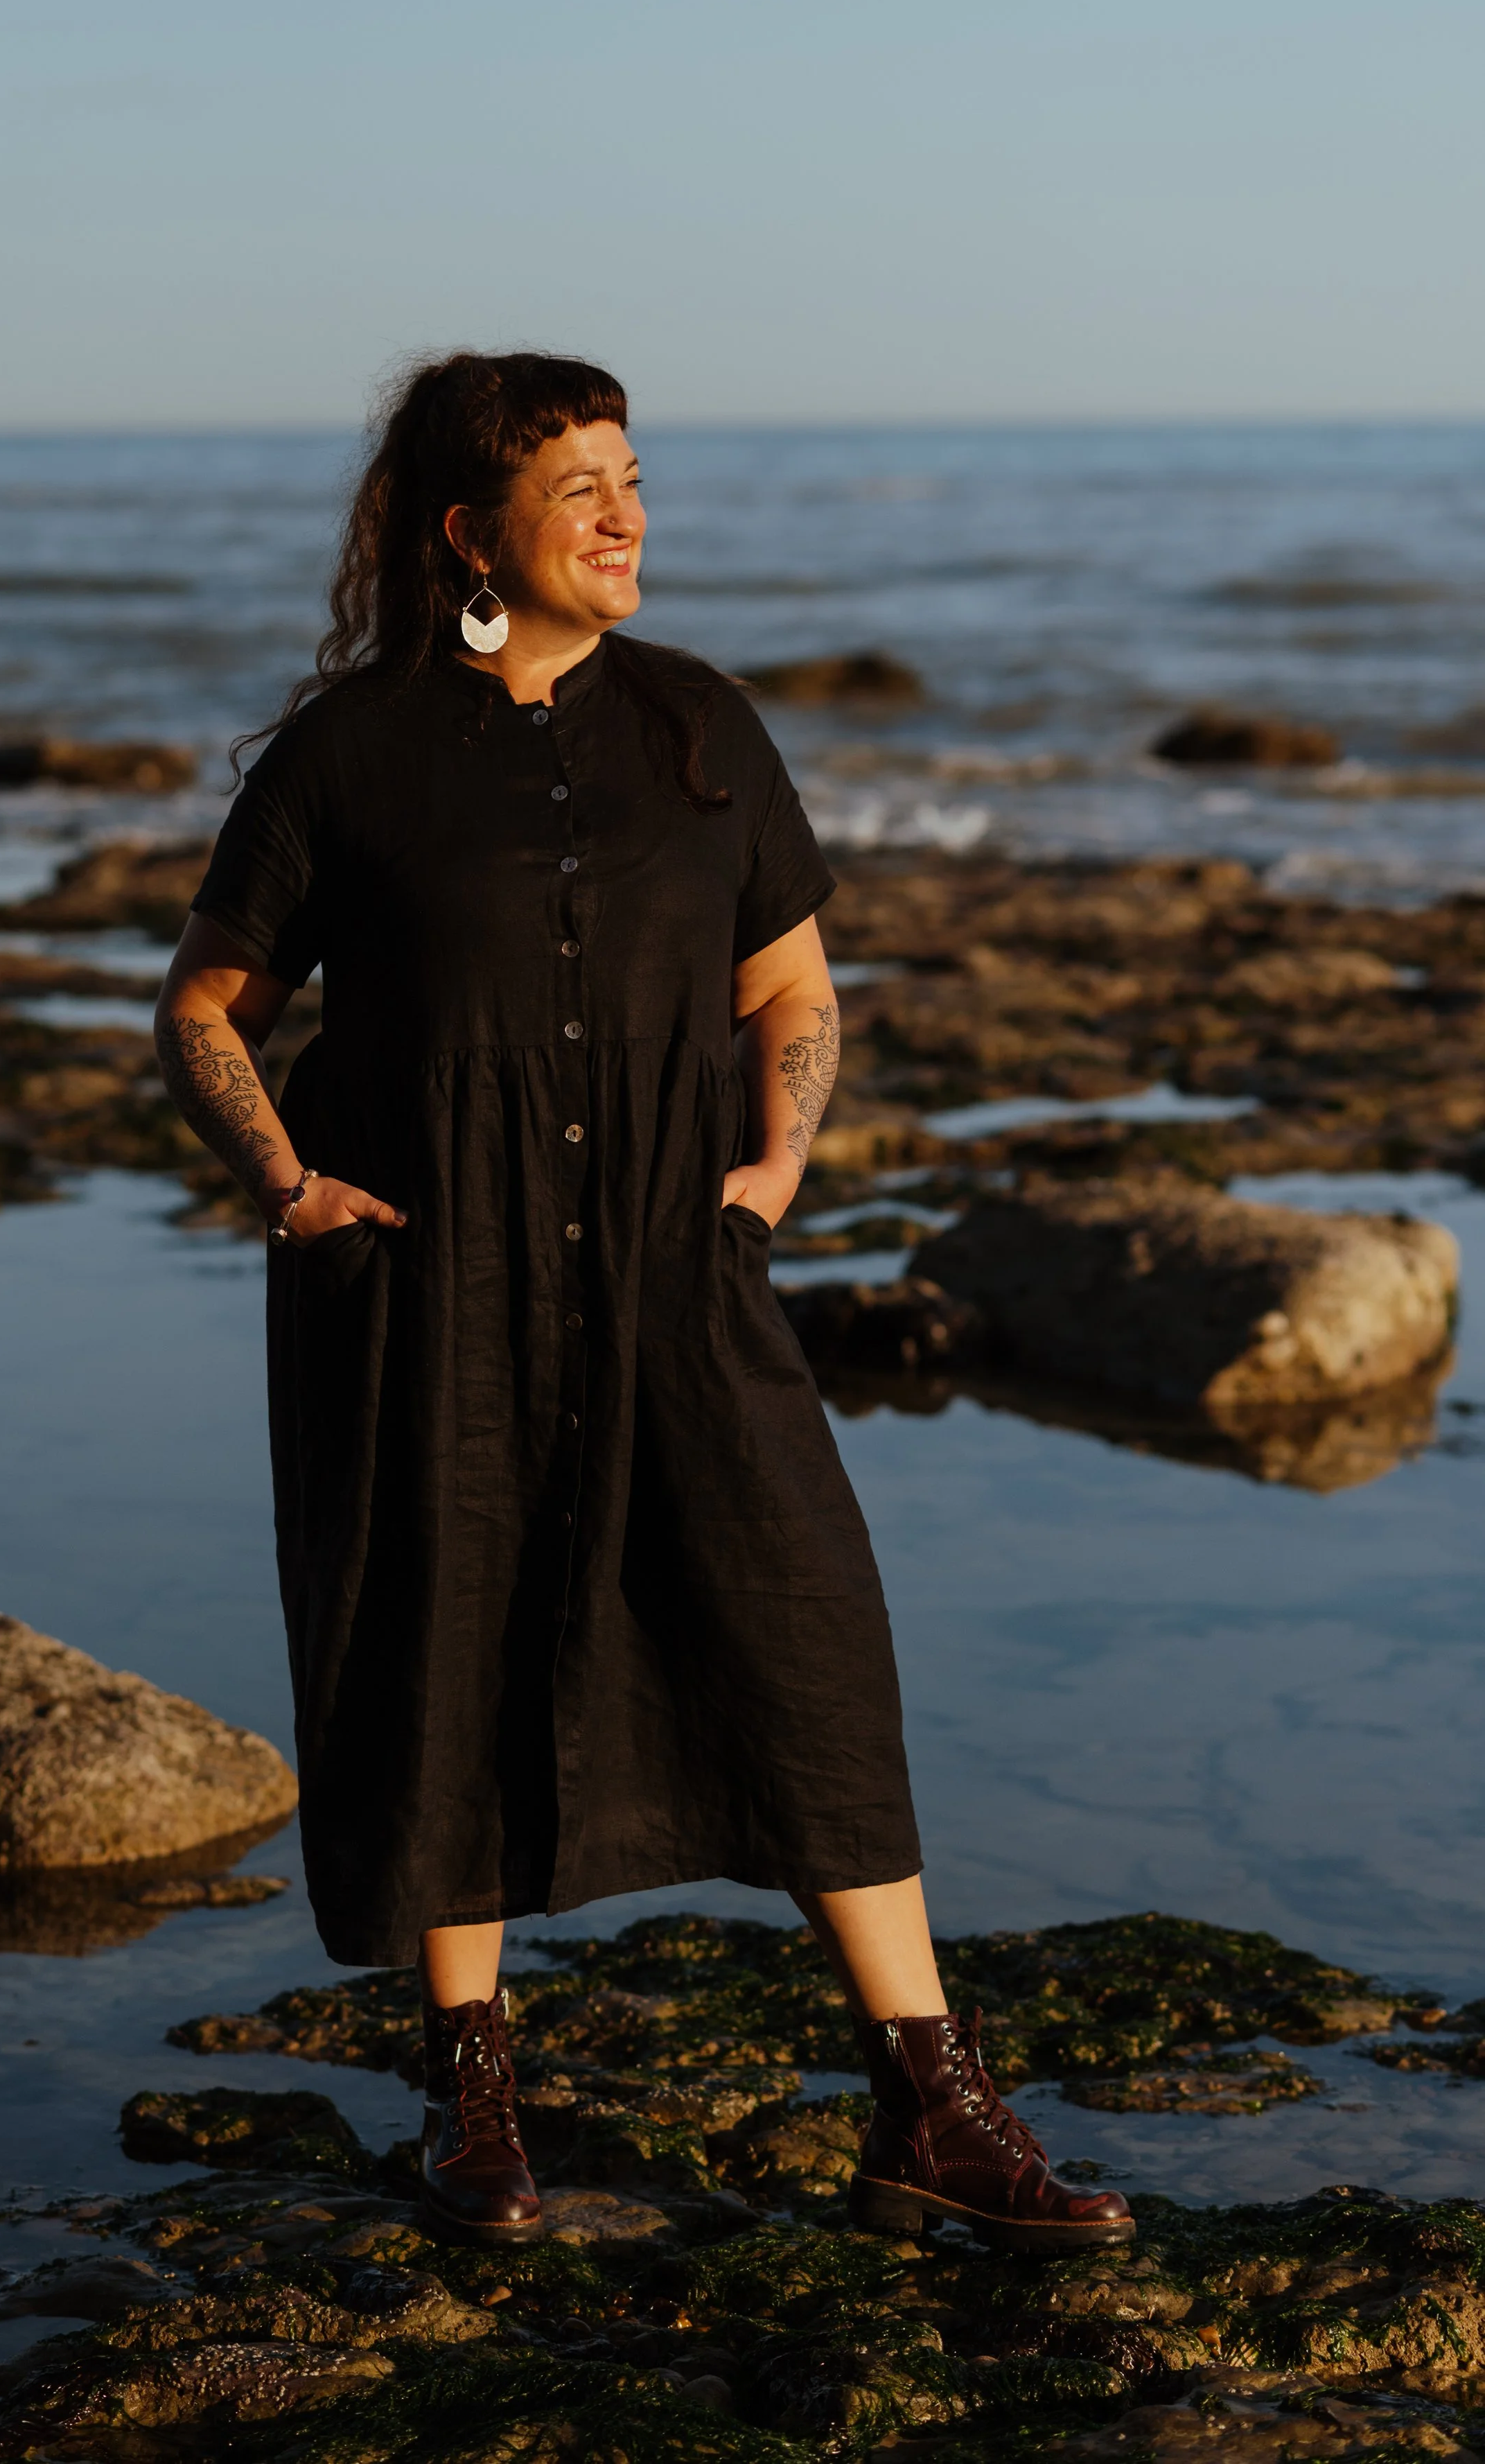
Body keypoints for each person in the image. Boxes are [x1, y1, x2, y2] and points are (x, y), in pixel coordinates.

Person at [155, 351, 1132, 2257]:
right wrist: (288, 1184)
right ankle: (470, 2095)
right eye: (580, 488)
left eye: (631, 476)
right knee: (443, 1637)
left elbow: (796, 989)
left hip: (680, 1274)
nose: (627, 517)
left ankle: (931, 2104)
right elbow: (206, 1007)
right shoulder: (349, 755)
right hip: (430, 1273)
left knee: (804, 1633)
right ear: (471, 533)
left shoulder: (699, 726)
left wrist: (775, 1168)